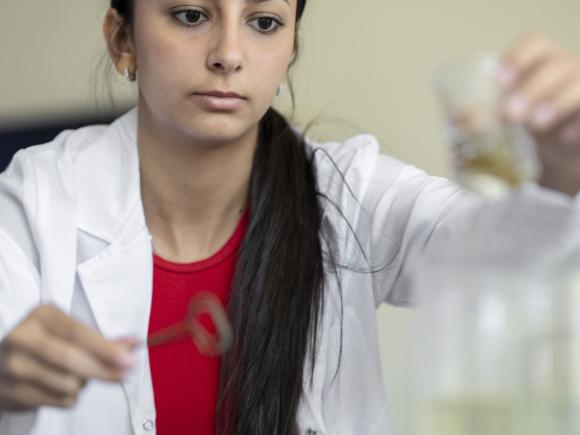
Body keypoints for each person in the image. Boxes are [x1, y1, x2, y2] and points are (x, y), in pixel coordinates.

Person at [0, 1, 580, 434]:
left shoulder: (348, 190)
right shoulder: (36, 197)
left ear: (290, 47)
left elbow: (499, 249)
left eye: (264, 23)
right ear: (121, 38)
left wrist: (561, 172)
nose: (228, 54)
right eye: (190, 14)